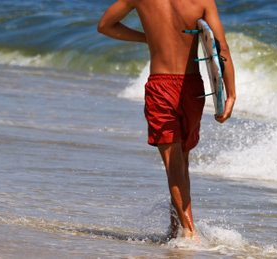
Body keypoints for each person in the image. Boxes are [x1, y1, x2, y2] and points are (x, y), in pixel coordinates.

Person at [98, 0, 236, 240]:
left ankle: (188, 232)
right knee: (181, 160)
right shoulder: (203, 1)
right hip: (193, 88)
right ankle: (177, 228)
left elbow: (106, 26)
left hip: (161, 85)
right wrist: (230, 94)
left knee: (174, 164)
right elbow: (221, 49)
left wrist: (147, 37)